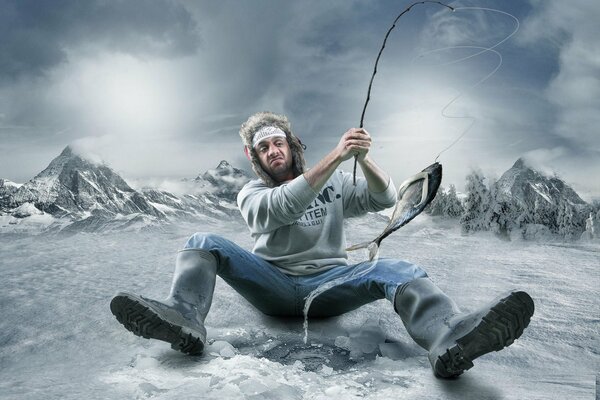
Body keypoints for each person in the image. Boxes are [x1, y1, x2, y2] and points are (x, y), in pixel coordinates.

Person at [110, 111, 534, 378]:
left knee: (401, 268)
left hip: (332, 285)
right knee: (203, 240)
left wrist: (362, 159)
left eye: (278, 142)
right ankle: (184, 320)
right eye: (263, 148)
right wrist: (335, 156)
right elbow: (280, 208)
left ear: (291, 146)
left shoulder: (332, 183)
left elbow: (385, 200)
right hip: (272, 286)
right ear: (253, 158)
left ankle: (447, 338)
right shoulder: (250, 194)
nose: (272, 151)